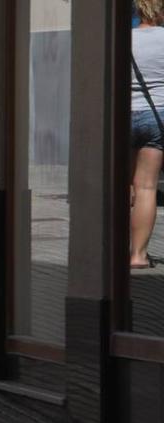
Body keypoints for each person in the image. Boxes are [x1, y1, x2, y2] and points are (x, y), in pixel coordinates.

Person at [132, 0, 164, 269]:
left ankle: (116, 251)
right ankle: (138, 255)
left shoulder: (123, 40)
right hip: (156, 117)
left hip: (122, 118)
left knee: (122, 188)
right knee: (146, 187)